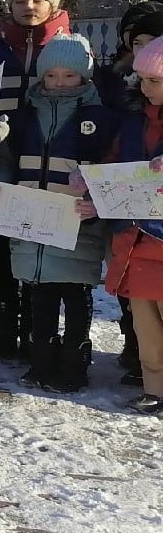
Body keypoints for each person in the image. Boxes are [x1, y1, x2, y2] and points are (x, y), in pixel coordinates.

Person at [0, 35, 116, 392]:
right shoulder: (24, 118)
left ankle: (74, 362)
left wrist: (96, 201)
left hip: (78, 226)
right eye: (52, 75)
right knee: (38, 294)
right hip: (31, 228)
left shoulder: (100, 120)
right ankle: (40, 361)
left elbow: (113, 171)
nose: (59, 82)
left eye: (69, 76)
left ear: (85, 78)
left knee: (75, 295)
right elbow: (5, 162)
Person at [0, 0, 72, 361]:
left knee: (39, 245)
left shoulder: (68, 47)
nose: (29, 6)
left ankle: (38, 331)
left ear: (52, 4)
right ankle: (3, 328)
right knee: (0, 245)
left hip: (49, 159)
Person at [105, 36, 163, 414]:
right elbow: (115, 161)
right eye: (141, 79)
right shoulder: (133, 119)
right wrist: (94, 183)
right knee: (146, 327)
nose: (145, 87)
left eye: (155, 80)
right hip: (136, 239)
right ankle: (154, 386)